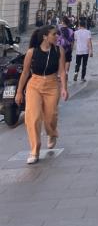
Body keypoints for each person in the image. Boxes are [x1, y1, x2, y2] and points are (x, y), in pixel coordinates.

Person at [15, 25, 68, 164]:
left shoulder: (59, 50)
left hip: (52, 85)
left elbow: (62, 71)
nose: (57, 37)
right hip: (34, 85)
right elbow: (25, 72)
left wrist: (64, 88)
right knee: (33, 116)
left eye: (57, 34)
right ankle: (35, 149)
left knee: (51, 115)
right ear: (45, 36)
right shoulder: (32, 52)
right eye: (54, 34)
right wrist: (19, 91)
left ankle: (51, 133)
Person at [73, 18, 93, 82]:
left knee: (77, 64)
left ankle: (76, 73)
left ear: (79, 25)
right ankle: (82, 77)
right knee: (84, 65)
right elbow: (89, 42)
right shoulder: (88, 32)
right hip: (85, 51)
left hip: (78, 50)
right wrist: (91, 51)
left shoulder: (76, 32)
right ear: (85, 25)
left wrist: (74, 48)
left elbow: (75, 41)